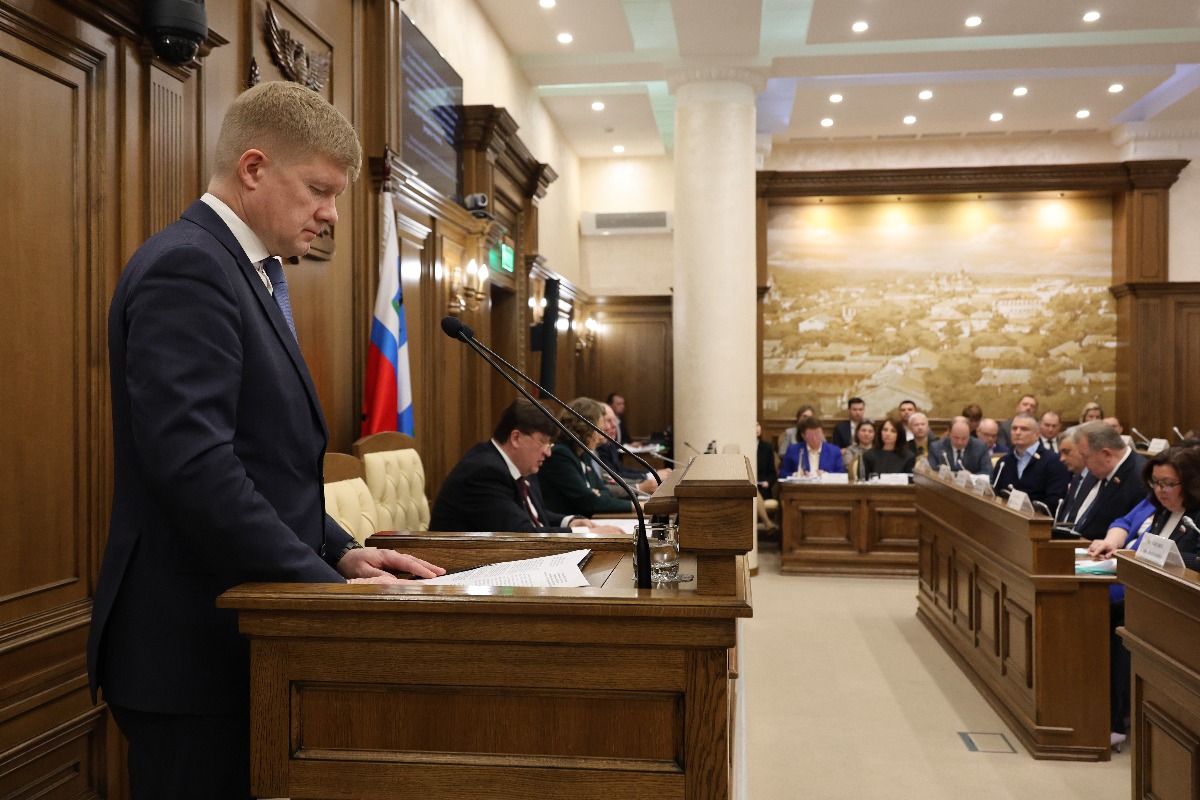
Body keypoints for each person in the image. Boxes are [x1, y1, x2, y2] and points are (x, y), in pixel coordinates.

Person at [85, 82, 447, 799]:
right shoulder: (190, 266)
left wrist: (340, 549)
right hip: (190, 652)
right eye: (319, 190)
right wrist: (325, 591)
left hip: (238, 638)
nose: (331, 214)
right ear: (253, 168)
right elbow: (196, 469)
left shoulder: (249, 269)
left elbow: (269, 467)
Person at [1085, 446, 1200, 748]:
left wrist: (1168, 557)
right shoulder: (1162, 512)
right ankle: (1100, 709)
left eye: (1168, 484)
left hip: (1182, 607)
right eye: (1156, 483)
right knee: (1101, 613)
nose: (1160, 491)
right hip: (1151, 595)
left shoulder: (1196, 518)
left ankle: (1116, 720)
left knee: (1129, 624)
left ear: (1190, 483)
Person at [429, 398, 624, 534]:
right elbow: (521, 532)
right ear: (516, 438)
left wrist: (570, 522)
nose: (548, 452)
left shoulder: (523, 467)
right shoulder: (484, 471)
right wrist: (586, 533)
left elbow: (535, 516)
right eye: (543, 442)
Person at [539, 397, 639, 517]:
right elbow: (590, 501)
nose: (600, 436)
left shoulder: (583, 453)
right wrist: (637, 506)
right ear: (584, 428)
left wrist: (595, 493)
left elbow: (604, 490)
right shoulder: (560, 454)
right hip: (566, 524)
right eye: (598, 430)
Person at [1063, 421, 1146, 539]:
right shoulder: (1098, 469)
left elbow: (1134, 531)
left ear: (1107, 454)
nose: (1084, 463)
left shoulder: (1141, 478)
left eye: (1085, 457)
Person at [990, 412, 1069, 509]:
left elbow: (1054, 500)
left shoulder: (1054, 462)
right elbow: (996, 493)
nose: (1017, 432)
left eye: (1024, 429)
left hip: (1036, 516)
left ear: (1037, 434)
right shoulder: (1004, 462)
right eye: (1014, 428)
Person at [594, 401, 664, 494]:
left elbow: (619, 471)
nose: (614, 425)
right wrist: (641, 485)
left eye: (614, 420)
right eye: (609, 421)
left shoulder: (609, 444)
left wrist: (651, 475)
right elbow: (611, 480)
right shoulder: (597, 449)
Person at [779, 417, 846, 479]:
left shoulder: (834, 451)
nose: (815, 439)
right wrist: (796, 474)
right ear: (803, 436)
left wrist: (826, 475)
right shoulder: (793, 450)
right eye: (810, 435)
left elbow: (841, 475)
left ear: (822, 433)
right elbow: (782, 474)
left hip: (825, 487)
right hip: (802, 487)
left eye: (817, 434)